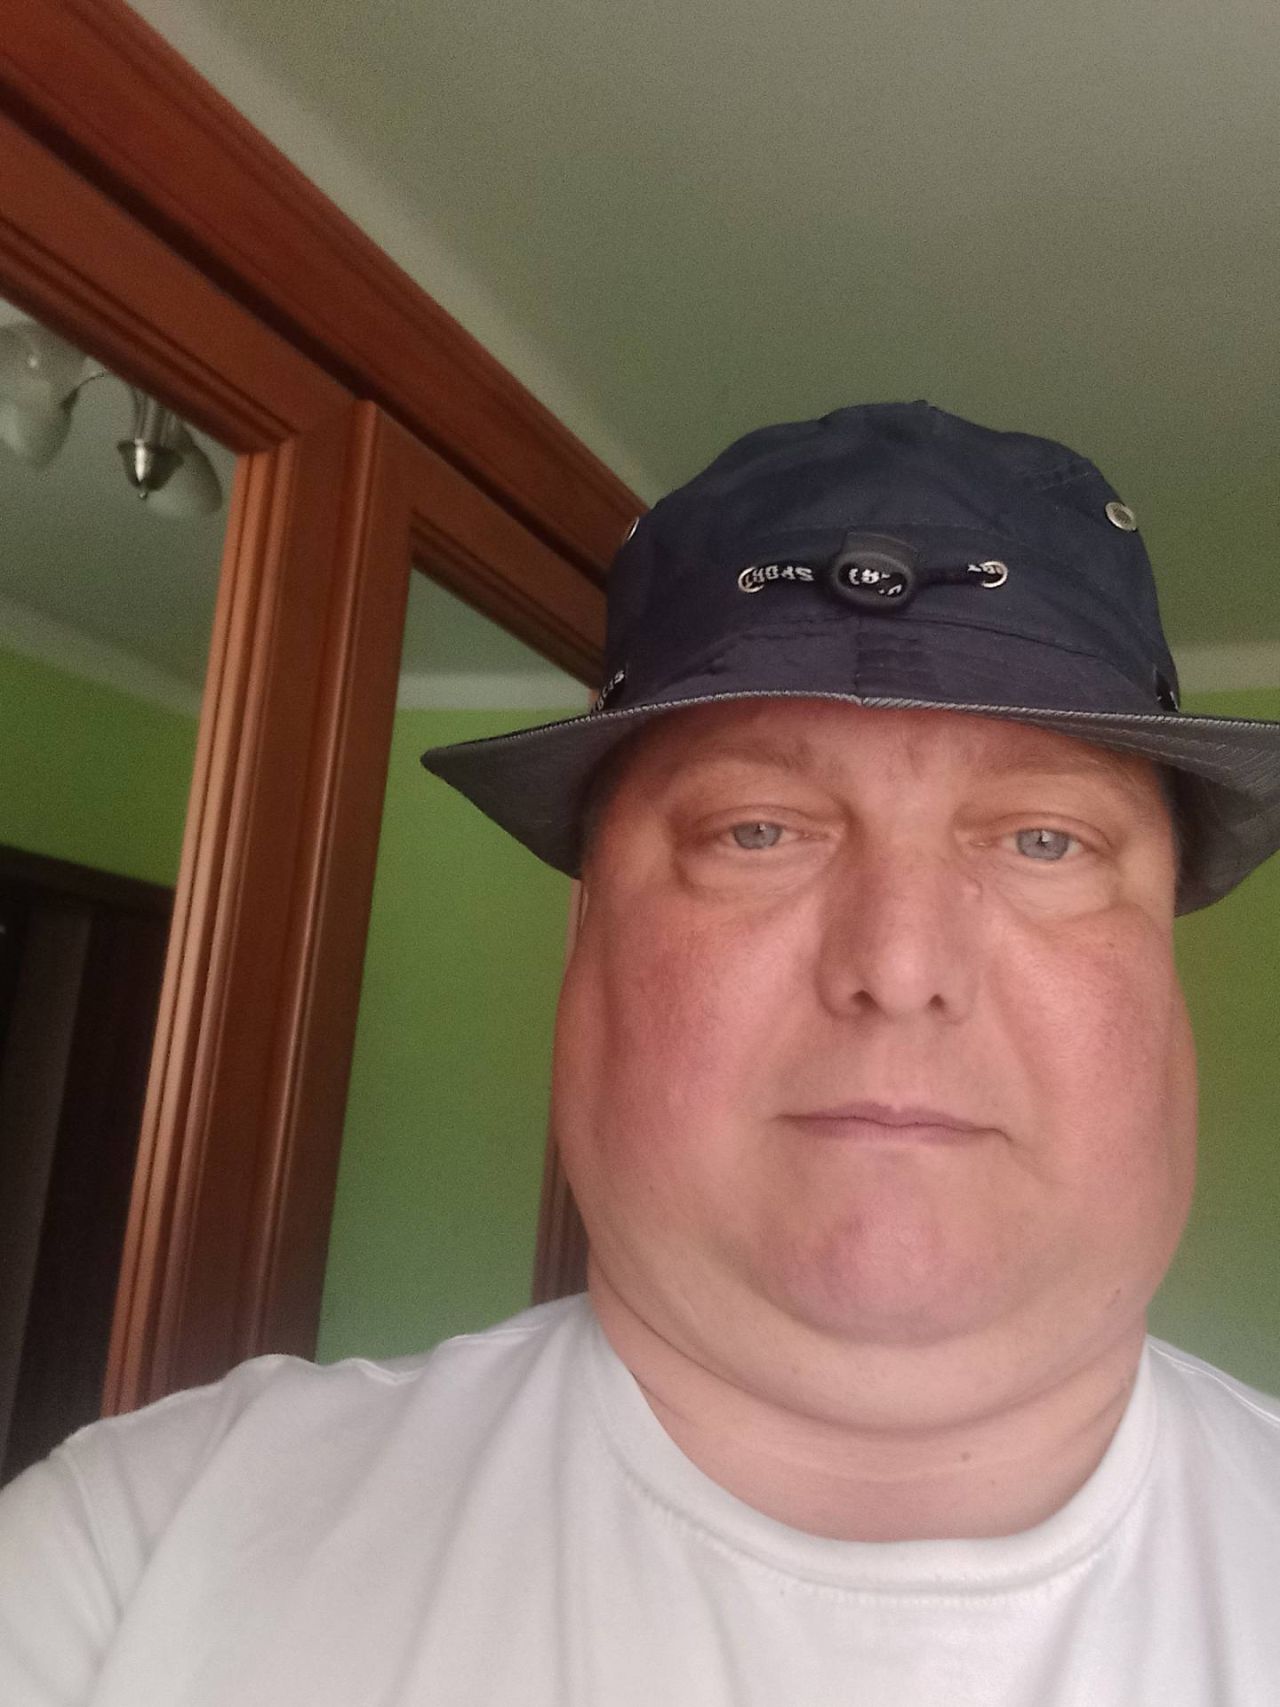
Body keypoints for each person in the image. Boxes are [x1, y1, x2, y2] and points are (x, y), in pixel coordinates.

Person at [2, 401, 1279, 1705]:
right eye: (756, 832)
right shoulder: (136, 1557)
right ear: (588, 941)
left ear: (1165, 974)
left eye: (1046, 842)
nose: (900, 967)